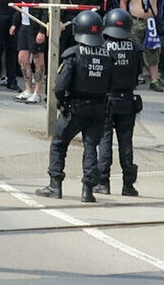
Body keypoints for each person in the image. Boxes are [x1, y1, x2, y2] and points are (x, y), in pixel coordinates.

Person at [36, 10, 114, 203]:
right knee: (91, 147)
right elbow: (111, 85)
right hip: (98, 108)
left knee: (59, 144)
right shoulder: (107, 56)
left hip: (75, 108)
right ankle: (88, 190)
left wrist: (63, 103)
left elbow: (60, 86)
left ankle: (55, 185)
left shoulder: (73, 55)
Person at [94, 8, 141, 197]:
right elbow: (138, 72)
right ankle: (128, 185)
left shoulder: (103, 46)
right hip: (128, 100)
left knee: (104, 140)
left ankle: (103, 182)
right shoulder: (135, 47)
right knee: (126, 142)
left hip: (107, 98)